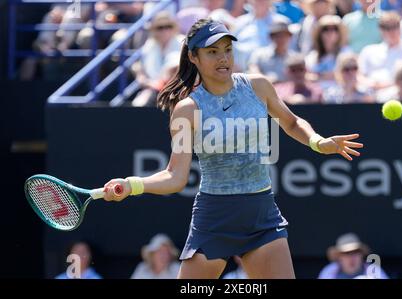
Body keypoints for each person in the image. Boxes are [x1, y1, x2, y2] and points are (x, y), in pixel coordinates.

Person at [101, 19, 363, 279]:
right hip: (215, 217)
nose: (223, 58)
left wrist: (318, 142)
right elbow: (175, 176)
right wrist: (132, 184)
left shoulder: (258, 86)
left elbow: (292, 123)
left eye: (227, 49)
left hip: (261, 213)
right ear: (194, 57)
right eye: (212, 52)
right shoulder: (187, 111)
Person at [318, 233, 389, 279]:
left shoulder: (374, 271)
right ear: (339, 257)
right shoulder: (328, 271)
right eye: (346, 253)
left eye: (355, 252)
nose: (351, 258)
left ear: (361, 254)